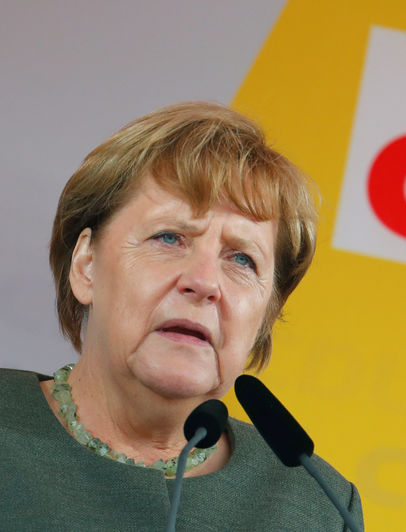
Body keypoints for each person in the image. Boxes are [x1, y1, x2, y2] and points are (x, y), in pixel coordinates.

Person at [0, 102, 364, 530]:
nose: (205, 281)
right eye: (169, 237)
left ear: (265, 316)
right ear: (86, 265)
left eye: (242, 260)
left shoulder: (319, 507)